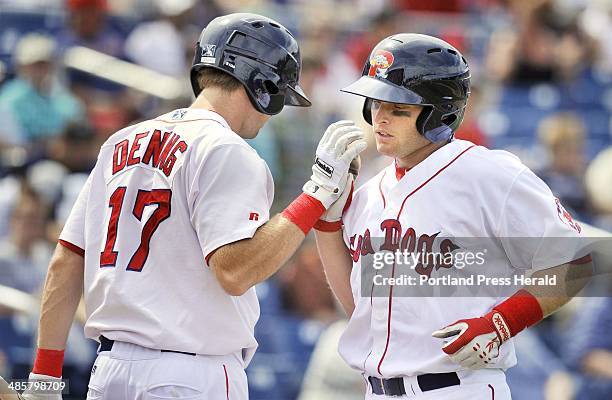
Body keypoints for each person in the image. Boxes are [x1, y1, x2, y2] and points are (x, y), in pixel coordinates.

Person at [3, 13, 366, 400]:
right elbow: (236, 271)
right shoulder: (226, 149)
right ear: (263, 86)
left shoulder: (119, 142)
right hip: (187, 374)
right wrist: (317, 194)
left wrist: (44, 377)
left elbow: (67, 259)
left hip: (109, 372)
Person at [314, 33, 592, 399]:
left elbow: (577, 262)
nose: (379, 118)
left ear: (438, 113)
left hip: (458, 387)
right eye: (375, 104)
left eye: (398, 108)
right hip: (375, 389)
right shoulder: (367, 192)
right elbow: (360, 311)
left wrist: (501, 323)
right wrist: (327, 222)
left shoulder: (488, 174)